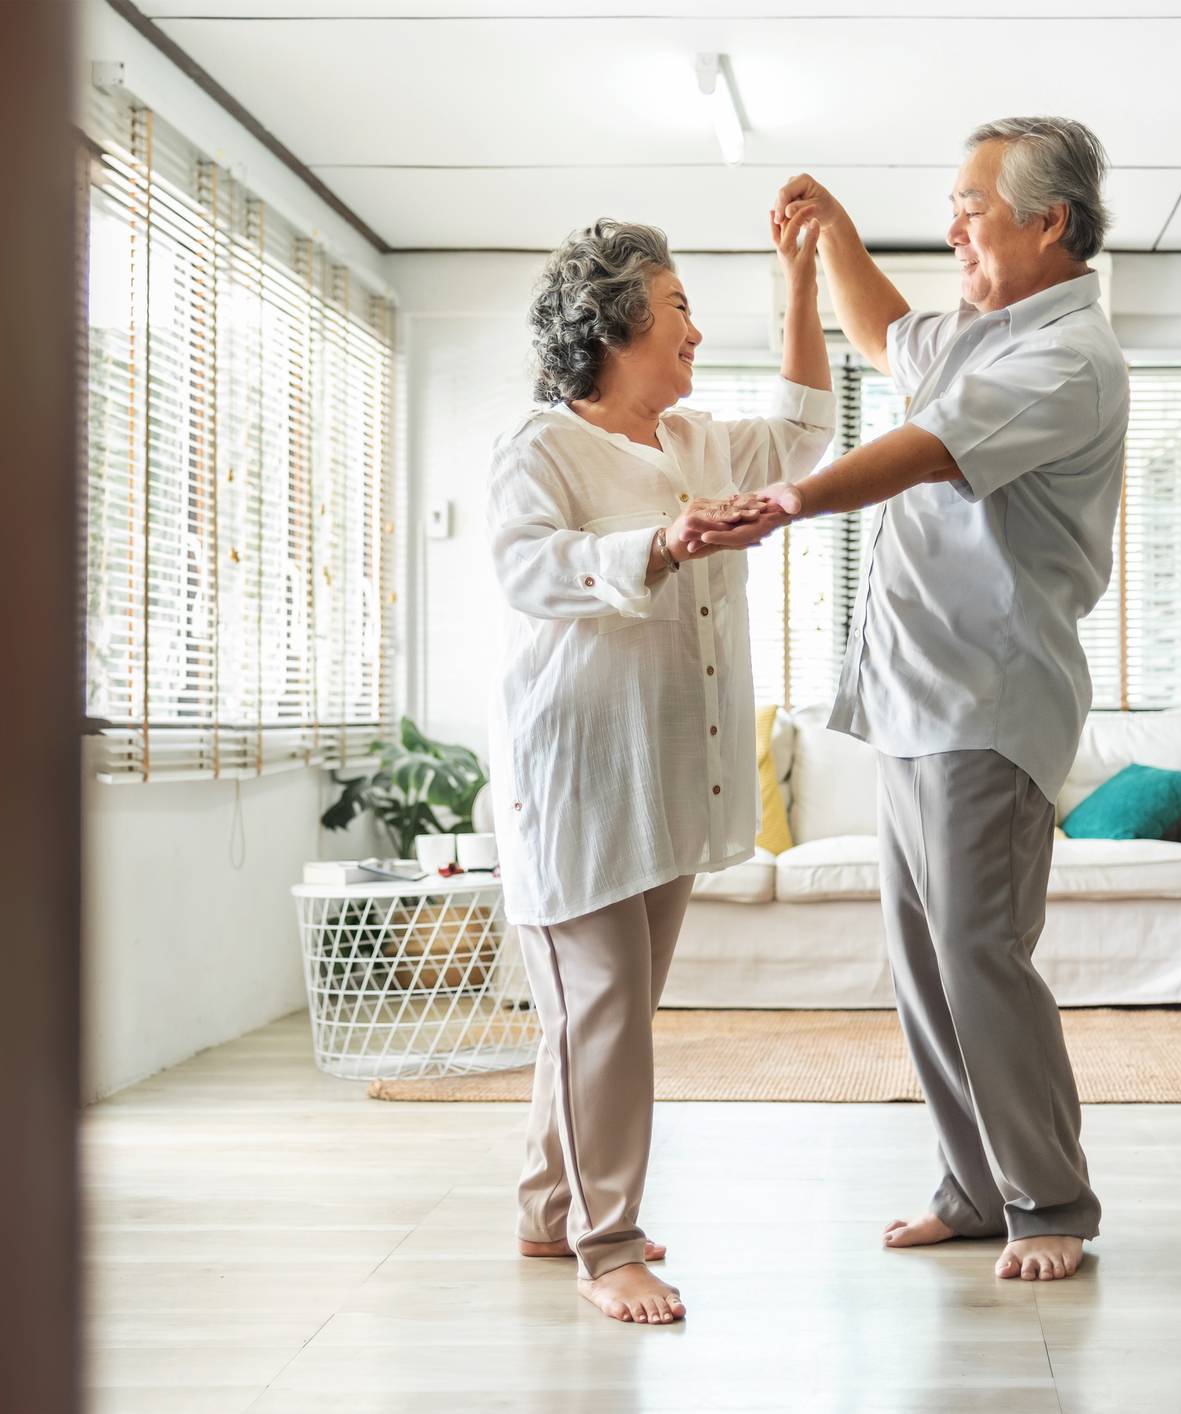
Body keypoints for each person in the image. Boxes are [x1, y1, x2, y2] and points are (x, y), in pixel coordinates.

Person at [762, 116, 1124, 1283]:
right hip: (916, 698)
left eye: (973, 206)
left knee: (978, 954)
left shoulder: (1064, 359)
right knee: (925, 964)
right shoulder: (978, 332)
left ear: (1048, 221)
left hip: (988, 698)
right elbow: (881, 334)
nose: (955, 226)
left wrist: (786, 500)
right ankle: (972, 1190)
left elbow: (923, 449)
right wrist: (832, 236)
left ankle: (1050, 1199)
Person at [486, 215, 831, 1324]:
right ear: (613, 325)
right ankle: (609, 1245)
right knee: (601, 1013)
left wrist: (798, 276)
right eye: (678, 306)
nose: (694, 330)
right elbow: (528, 570)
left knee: (603, 1015)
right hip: (578, 773)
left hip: (670, 768)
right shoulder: (540, 447)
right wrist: (665, 543)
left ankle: (550, 1210)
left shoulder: (692, 442)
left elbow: (803, 431)